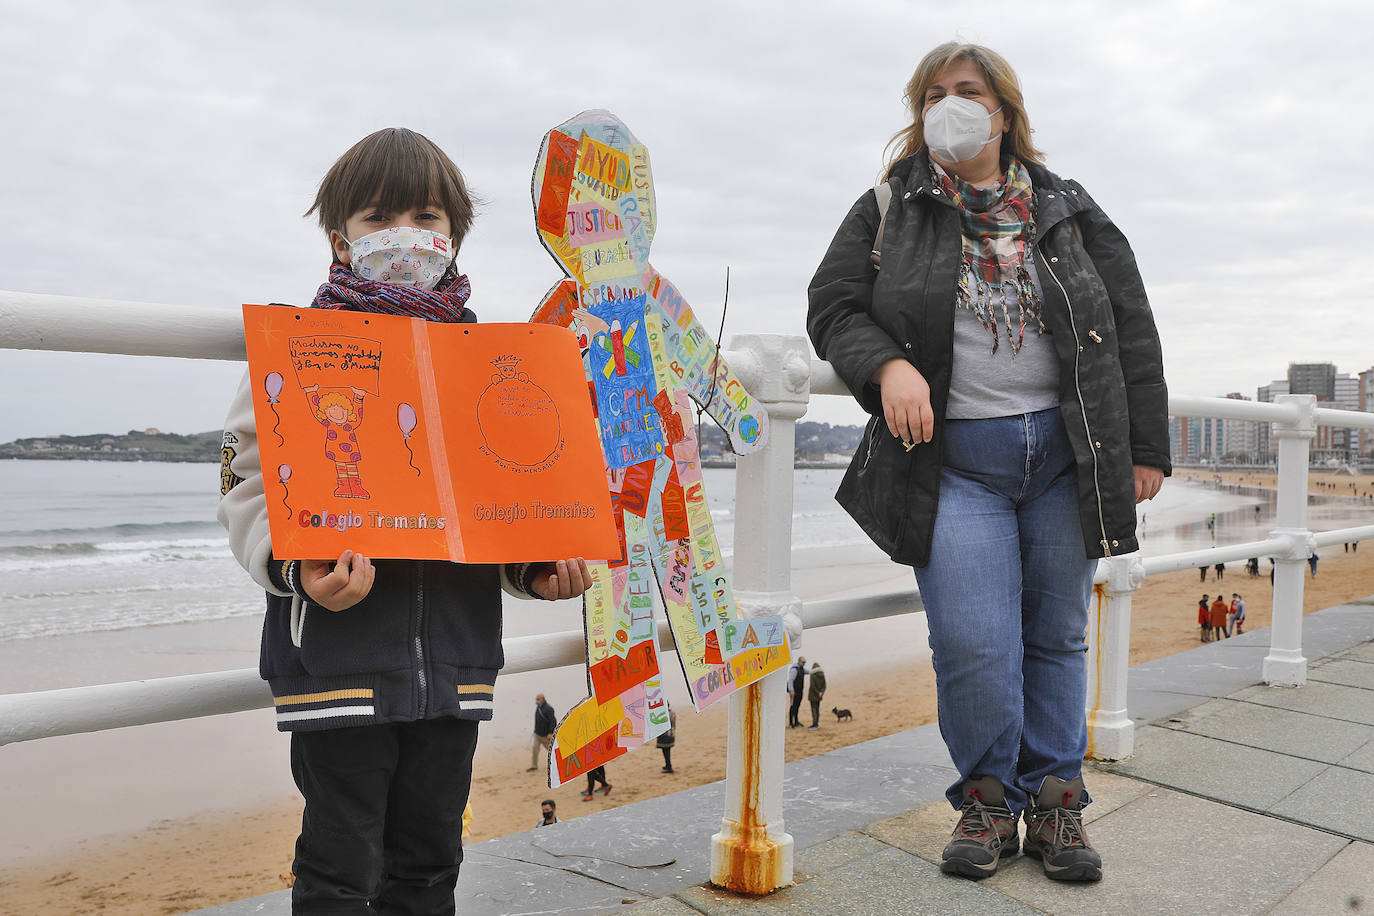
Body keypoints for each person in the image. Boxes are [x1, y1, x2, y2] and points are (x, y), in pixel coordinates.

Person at [807, 42, 1169, 884]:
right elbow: (831, 305)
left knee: (1057, 636)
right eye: (933, 94)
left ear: (1003, 112)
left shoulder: (1069, 207)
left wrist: (1145, 448)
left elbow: (1131, 323)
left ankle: (1056, 806)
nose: (949, 106)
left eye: (967, 92)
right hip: (954, 462)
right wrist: (886, 366)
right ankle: (986, 801)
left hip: (1064, 458)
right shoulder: (889, 204)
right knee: (972, 642)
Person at [217, 128, 594, 915]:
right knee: (339, 863)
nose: (406, 239)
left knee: (431, 859)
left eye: (426, 217)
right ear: (338, 238)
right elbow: (251, 485)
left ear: (453, 235)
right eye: (378, 219)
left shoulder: (491, 361)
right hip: (336, 657)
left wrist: (534, 566)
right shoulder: (296, 352)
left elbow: (499, 495)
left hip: (455, 662)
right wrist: (298, 572)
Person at [529, 694, 556, 772]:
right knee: (535, 749)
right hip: (537, 734)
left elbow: (553, 721)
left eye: (538, 699)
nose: (536, 701)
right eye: (536, 699)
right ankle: (534, 766)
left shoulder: (549, 709)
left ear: (543, 699)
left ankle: (558, 764)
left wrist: (550, 733)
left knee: (551, 751)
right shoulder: (538, 707)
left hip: (546, 736)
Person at [787, 656, 808, 728]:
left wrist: (817, 670)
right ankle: (791, 723)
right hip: (794, 692)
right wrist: (791, 690)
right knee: (793, 707)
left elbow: (809, 671)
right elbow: (790, 680)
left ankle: (796, 722)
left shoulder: (802, 669)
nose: (804, 664)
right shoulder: (794, 669)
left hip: (800, 691)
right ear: (799, 661)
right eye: (803, 662)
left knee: (797, 707)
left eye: (805, 662)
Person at [806, 661, 826, 730]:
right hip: (819, 696)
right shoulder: (822, 674)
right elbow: (824, 685)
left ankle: (815, 725)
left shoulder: (812, 675)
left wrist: (817, 692)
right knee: (817, 710)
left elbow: (812, 686)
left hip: (813, 695)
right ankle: (816, 724)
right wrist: (821, 692)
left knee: (814, 710)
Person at [657, 706, 678, 773]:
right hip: (671, 734)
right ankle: (667, 765)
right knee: (667, 751)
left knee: (666, 751)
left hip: (665, 735)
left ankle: (669, 766)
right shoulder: (672, 713)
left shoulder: (663, 714)